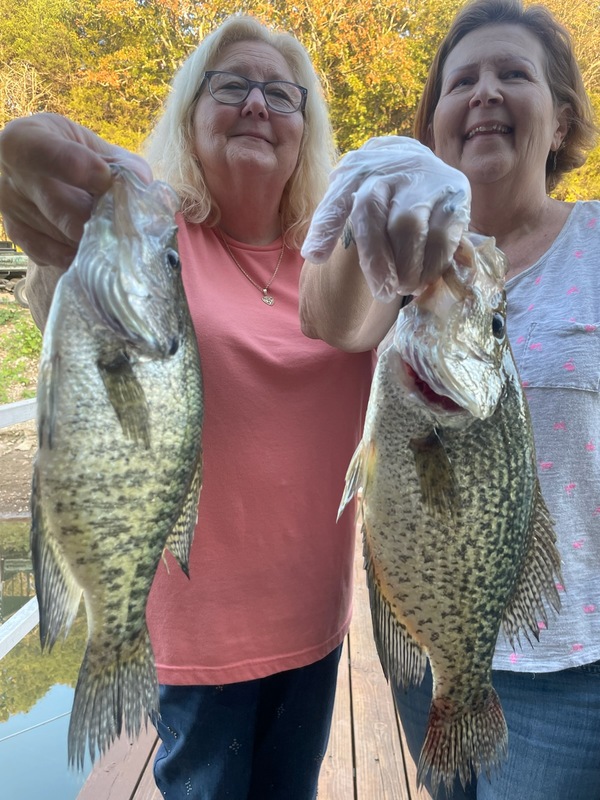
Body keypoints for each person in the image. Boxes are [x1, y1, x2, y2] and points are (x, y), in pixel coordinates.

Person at [0, 15, 373, 799]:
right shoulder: (152, 234)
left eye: (282, 93)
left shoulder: (339, 263)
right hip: (199, 638)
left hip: (317, 620)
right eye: (231, 85)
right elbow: (59, 282)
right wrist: (32, 173)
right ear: (188, 115)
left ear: (308, 126)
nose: (257, 104)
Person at [299, 1, 600, 799]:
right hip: (429, 633)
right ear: (435, 125)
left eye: (513, 74)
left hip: (575, 660)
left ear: (563, 119)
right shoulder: (406, 257)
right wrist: (377, 181)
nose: (485, 92)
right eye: (460, 81)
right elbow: (327, 317)